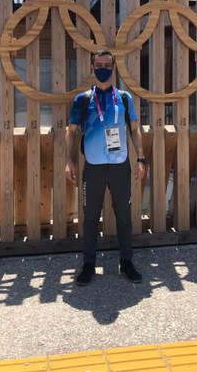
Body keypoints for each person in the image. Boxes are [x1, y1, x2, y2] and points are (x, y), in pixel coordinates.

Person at [65, 50, 147, 286]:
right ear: (92, 68)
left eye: (107, 65)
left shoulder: (124, 98)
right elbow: (71, 131)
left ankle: (127, 262)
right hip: (93, 166)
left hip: (120, 165)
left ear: (114, 68)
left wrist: (141, 158)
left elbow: (134, 129)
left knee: (124, 215)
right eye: (98, 64)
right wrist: (68, 160)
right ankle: (88, 264)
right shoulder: (82, 99)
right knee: (90, 216)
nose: (102, 68)